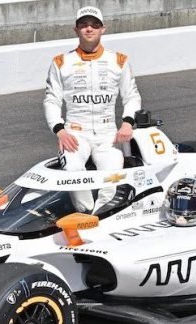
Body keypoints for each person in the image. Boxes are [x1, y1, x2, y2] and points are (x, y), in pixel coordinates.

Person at [44, 6, 142, 213]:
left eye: (95, 25)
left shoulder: (119, 61)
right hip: (75, 133)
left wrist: (127, 123)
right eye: (84, 25)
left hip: (108, 135)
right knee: (72, 170)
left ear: (102, 29)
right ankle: (85, 214)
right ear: (76, 30)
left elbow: (132, 96)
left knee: (112, 176)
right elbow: (52, 99)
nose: (89, 29)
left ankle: (102, 215)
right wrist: (59, 130)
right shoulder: (61, 62)